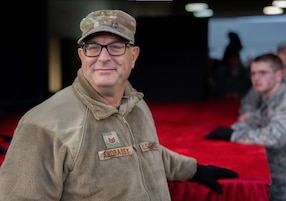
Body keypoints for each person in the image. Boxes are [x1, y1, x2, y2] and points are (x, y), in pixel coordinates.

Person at [0, 9, 238, 200]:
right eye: (93, 47)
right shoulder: (42, 125)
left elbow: (146, 151)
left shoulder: (136, 105)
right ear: (82, 56)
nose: (104, 57)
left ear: (133, 56)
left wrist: (194, 169)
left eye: (116, 47)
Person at [204, 53, 286, 201]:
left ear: (279, 75)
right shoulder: (273, 96)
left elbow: (275, 137)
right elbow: (259, 119)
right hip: (277, 170)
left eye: (263, 73)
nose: (256, 78)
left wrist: (232, 135)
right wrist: (234, 129)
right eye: (253, 73)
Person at [238, 41, 286, 121]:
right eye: (283, 52)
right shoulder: (265, 78)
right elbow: (248, 103)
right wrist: (255, 115)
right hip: (266, 123)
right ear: (277, 55)